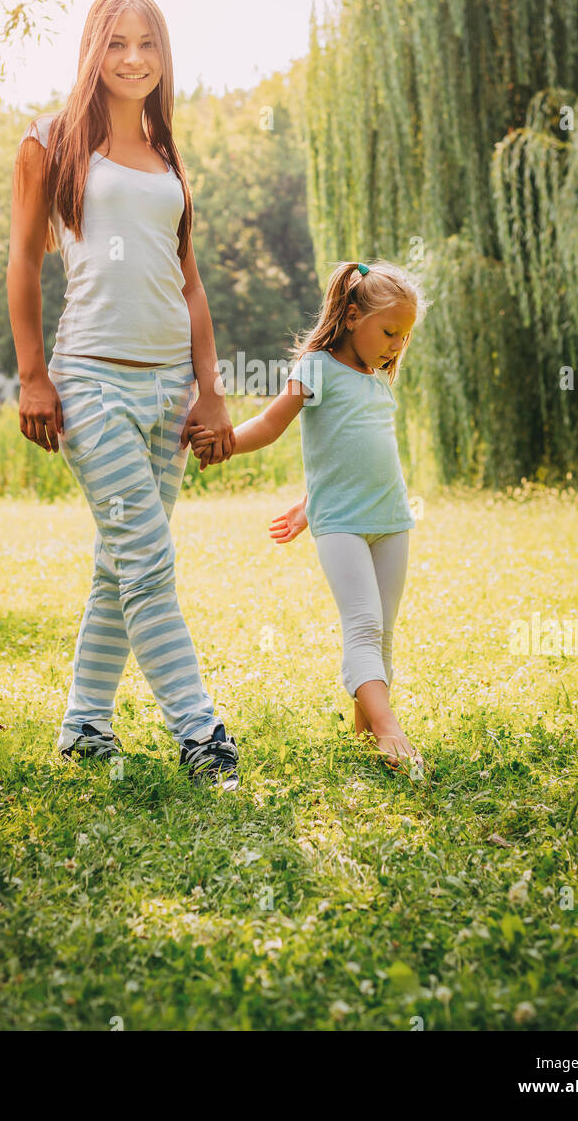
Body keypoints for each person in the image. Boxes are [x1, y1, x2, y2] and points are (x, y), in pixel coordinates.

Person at [6, 0, 239, 790]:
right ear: (91, 52)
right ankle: (201, 731)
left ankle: (83, 726)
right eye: (115, 44)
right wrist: (33, 376)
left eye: (147, 44)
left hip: (171, 389)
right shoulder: (50, 141)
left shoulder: (169, 155)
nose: (133, 58)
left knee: (121, 561)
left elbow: (191, 284)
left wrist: (209, 392)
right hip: (90, 381)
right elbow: (23, 263)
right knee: (146, 557)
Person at [190, 260, 429, 776]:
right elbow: (271, 426)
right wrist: (226, 442)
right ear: (349, 316)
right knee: (363, 623)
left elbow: (353, 453)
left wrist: (306, 501)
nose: (395, 346)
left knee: (384, 631)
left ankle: (366, 737)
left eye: (404, 337)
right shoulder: (317, 367)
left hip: (392, 519)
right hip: (341, 524)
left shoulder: (378, 377)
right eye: (389, 332)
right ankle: (392, 732)